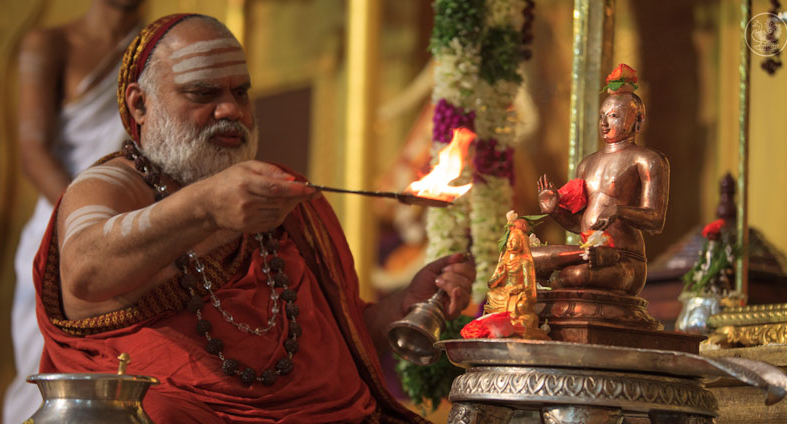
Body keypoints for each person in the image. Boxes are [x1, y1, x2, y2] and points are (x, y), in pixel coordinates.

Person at [33, 14, 474, 423]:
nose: (231, 111)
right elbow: (85, 269)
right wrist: (207, 208)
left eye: (240, 93)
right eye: (203, 94)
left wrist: (404, 306)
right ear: (140, 105)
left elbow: (339, 345)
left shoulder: (277, 198)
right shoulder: (110, 186)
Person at [5, 1, 143, 422]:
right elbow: (33, 151)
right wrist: (84, 223)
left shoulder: (155, 46)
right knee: (43, 375)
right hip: (58, 228)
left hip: (132, 230)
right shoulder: (50, 44)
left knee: (118, 372)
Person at [532, 64, 669, 296]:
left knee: (577, 276)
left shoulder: (647, 160)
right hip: (590, 253)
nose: (604, 123)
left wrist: (619, 211)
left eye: (613, 116)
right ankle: (574, 266)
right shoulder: (586, 164)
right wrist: (554, 210)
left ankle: (569, 272)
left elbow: (655, 220)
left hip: (624, 258)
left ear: (637, 120)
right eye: (601, 117)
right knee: (529, 258)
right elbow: (580, 225)